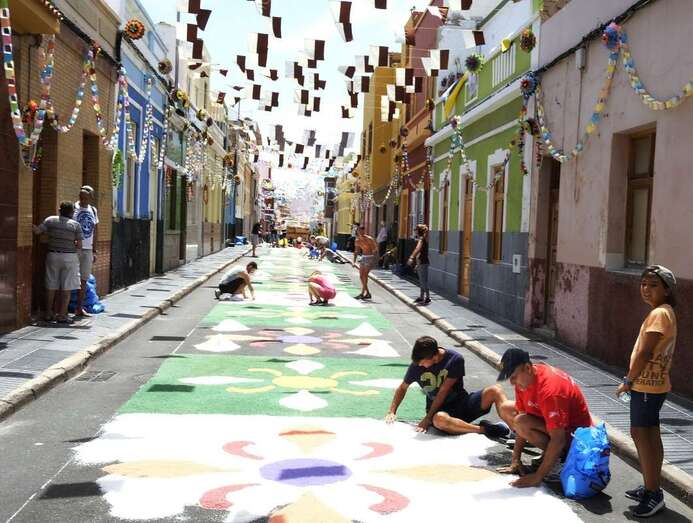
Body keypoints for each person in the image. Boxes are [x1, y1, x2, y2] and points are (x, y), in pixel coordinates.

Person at [616, 265, 677, 517]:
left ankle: (653, 494)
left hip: (645, 386)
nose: (646, 289)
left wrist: (628, 381)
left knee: (642, 434)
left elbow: (645, 352)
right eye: (643, 284)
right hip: (654, 385)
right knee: (650, 434)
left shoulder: (659, 313)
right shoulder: (665, 311)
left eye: (653, 285)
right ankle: (651, 485)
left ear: (666, 289)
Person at [496, 348, 593, 488]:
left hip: (577, 439)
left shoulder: (550, 391)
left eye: (514, 376)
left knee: (522, 422)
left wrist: (537, 477)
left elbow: (559, 439)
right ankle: (551, 456)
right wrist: (515, 460)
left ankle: (561, 460)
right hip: (558, 427)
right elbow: (521, 419)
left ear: (528, 368)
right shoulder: (523, 381)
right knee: (512, 413)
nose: (512, 382)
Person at [385, 336, 512, 438]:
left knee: (495, 390)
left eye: (423, 362)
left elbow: (443, 392)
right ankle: (486, 429)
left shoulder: (455, 359)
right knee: (440, 420)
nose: (420, 365)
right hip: (439, 412)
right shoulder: (416, 366)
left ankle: (515, 429)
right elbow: (402, 388)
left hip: (462, 404)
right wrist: (392, 411)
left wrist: (427, 419)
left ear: (435, 357)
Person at [33, 201, 83, 324]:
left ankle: (48, 313)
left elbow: (37, 231)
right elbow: (79, 245)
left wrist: (27, 221)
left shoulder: (50, 220)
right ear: (72, 212)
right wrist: (76, 257)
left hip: (53, 255)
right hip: (69, 257)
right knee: (67, 287)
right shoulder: (75, 225)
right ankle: (62, 315)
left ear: (60, 210)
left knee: (51, 285)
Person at [73, 186, 99, 317]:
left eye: (86, 198)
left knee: (84, 279)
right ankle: (60, 310)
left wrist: (94, 250)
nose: (83, 200)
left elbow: (95, 230)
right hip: (74, 249)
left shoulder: (93, 210)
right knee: (69, 278)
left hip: (88, 250)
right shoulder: (74, 208)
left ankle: (79, 308)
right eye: (81, 198)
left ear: (91, 198)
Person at [353, 225, 378, 300]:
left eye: (362, 230)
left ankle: (362, 293)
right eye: (359, 230)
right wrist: (354, 261)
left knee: (365, 275)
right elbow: (356, 251)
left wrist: (374, 260)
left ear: (364, 231)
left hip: (370, 257)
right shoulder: (357, 240)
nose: (361, 232)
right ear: (357, 231)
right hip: (363, 257)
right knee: (361, 276)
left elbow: (375, 250)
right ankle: (368, 293)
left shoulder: (369, 239)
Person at [407, 224, 430, 305]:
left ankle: (428, 297)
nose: (415, 231)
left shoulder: (421, 239)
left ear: (419, 231)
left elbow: (417, 249)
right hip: (421, 262)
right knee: (421, 280)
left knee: (423, 281)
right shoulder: (422, 239)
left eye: (415, 230)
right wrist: (417, 264)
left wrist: (411, 257)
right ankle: (421, 297)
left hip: (423, 262)